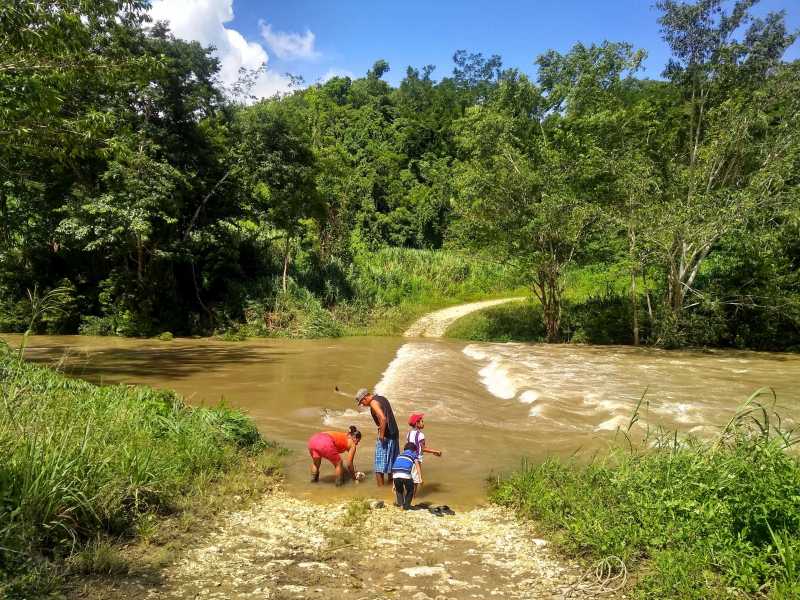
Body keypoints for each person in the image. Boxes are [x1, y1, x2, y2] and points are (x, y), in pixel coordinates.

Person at [355, 388, 399, 486]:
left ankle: (381, 491)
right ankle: (391, 487)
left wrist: (381, 435)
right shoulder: (382, 398)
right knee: (392, 464)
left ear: (365, 397)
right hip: (394, 433)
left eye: (361, 402)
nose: (362, 404)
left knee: (379, 467)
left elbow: (383, 418)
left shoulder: (373, 403)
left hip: (386, 436)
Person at [406, 413, 442, 497]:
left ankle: (408, 495)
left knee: (409, 477)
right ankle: (413, 497)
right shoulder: (421, 435)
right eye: (422, 421)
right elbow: (423, 448)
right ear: (417, 423)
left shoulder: (409, 434)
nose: (423, 423)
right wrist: (435, 451)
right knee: (415, 480)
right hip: (416, 459)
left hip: (408, 457)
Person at [391, 442, 420, 510]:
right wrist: (420, 478)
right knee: (410, 490)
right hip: (406, 475)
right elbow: (417, 466)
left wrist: (393, 485)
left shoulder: (399, 455)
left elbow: (395, 469)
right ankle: (406, 506)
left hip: (396, 476)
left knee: (399, 490)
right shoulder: (413, 454)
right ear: (413, 450)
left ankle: (401, 505)